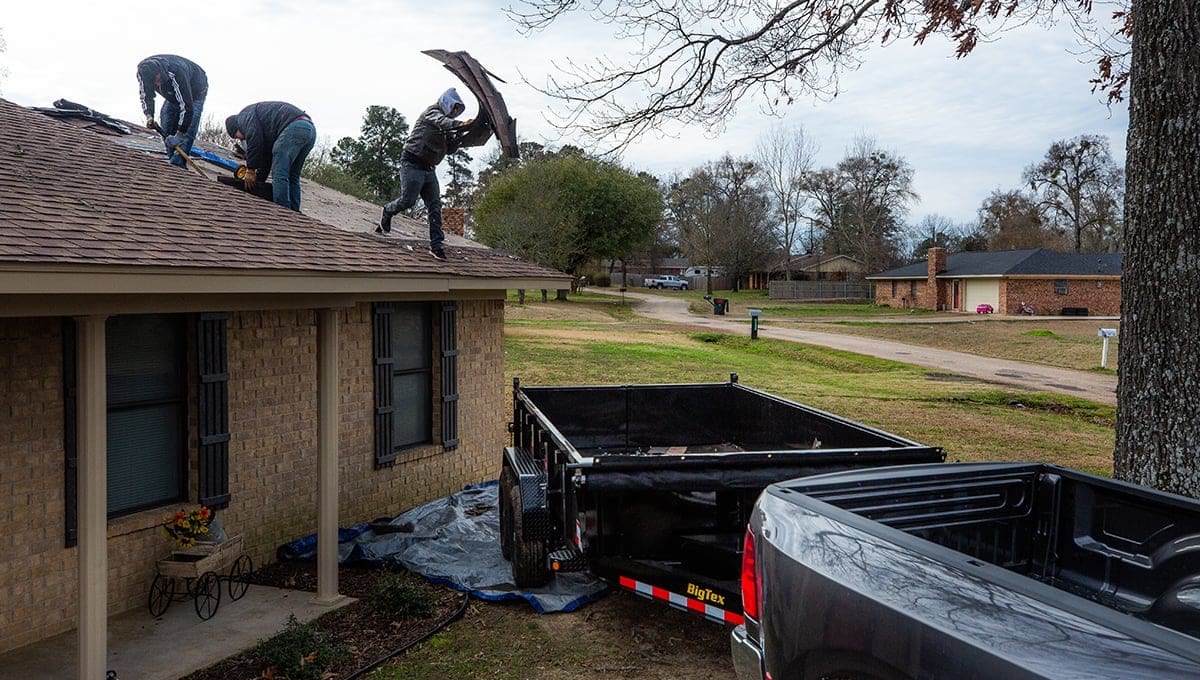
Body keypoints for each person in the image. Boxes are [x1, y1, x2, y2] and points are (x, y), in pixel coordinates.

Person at [379, 88, 472, 261]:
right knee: (408, 200)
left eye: (456, 111)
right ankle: (388, 210)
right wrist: (459, 125)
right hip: (412, 162)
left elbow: (450, 148)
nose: (454, 113)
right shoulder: (432, 112)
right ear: (447, 103)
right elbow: (441, 121)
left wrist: (462, 136)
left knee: (435, 207)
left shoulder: (447, 124)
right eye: (453, 108)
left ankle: (436, 246)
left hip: (429, 168)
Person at [225, 102, 316, 212]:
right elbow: (266, 158)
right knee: (292, 175)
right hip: (309, 130)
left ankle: (283, 213)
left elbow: (255, 140)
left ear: (236, 128)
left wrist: (251, 170)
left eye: (236, 136)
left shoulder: (244, 117)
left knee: (279, 174)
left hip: (294, 128)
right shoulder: (263, 125)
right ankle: (295, 212)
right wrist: (258, 181)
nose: (241, 139)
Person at [137, 54, 208, 168]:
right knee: (166, 127)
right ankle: (172, 161)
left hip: (195, 91)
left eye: (158, 79)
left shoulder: (176, 72)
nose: (157, 83)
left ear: (160, 72)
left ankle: (178, 165)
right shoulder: (143, 74)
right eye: (154, 82)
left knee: (188, 130)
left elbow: (186, 107)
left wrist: (179, 135)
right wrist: (149, 115)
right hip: (172, 95)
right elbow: (146, 96)